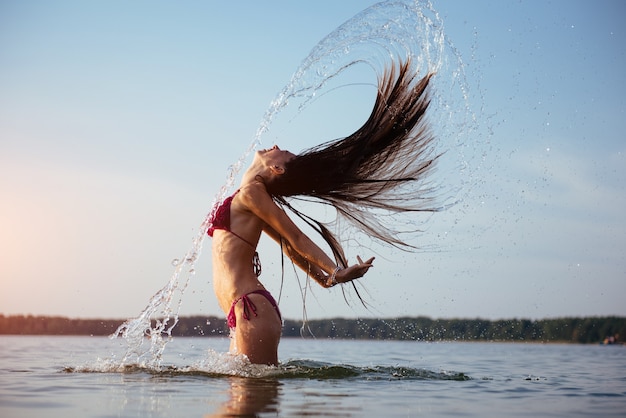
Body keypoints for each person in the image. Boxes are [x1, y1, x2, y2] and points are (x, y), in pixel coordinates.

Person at [208, 59, 439, 365]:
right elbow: (291, 249)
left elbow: (297, 237)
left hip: (251, 310)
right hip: (242, 311)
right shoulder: (250, 198)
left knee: (249, 402)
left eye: (285, 152)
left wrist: (336, 271)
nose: (277, 145)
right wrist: (326, 279)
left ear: (276, 169)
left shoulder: (252, 194)